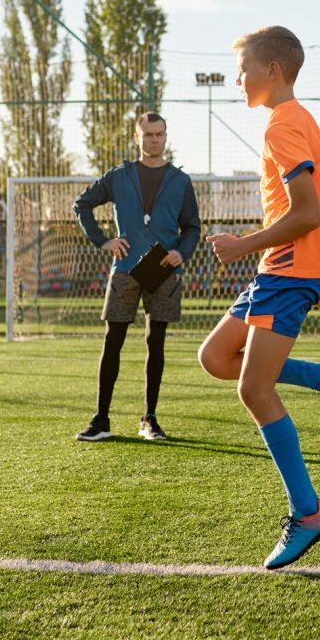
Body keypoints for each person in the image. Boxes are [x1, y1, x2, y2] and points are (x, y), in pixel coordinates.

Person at [198, 25, 320, 570]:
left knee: (254, 389)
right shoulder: (301, 121)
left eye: (242, 68)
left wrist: (243, 245)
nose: (236, 79)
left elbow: (310, 213)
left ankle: (309, 510)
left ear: (272, 70)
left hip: (285, 272)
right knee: (215, 358)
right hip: (291, 271)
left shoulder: (280, 127)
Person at [73, 112, 201, 442]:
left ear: (166, 136)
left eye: (159, 134)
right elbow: (82, 205)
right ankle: (101, 420)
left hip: (163, 269)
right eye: (148, 134)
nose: (154, 139)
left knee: (155, 343)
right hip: (125, 267)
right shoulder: (119, 176)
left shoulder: (180, 181)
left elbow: (192, 228)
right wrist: (104, 241)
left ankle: (150, 419)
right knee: (112, 341)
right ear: (137, 137)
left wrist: (181, 252)